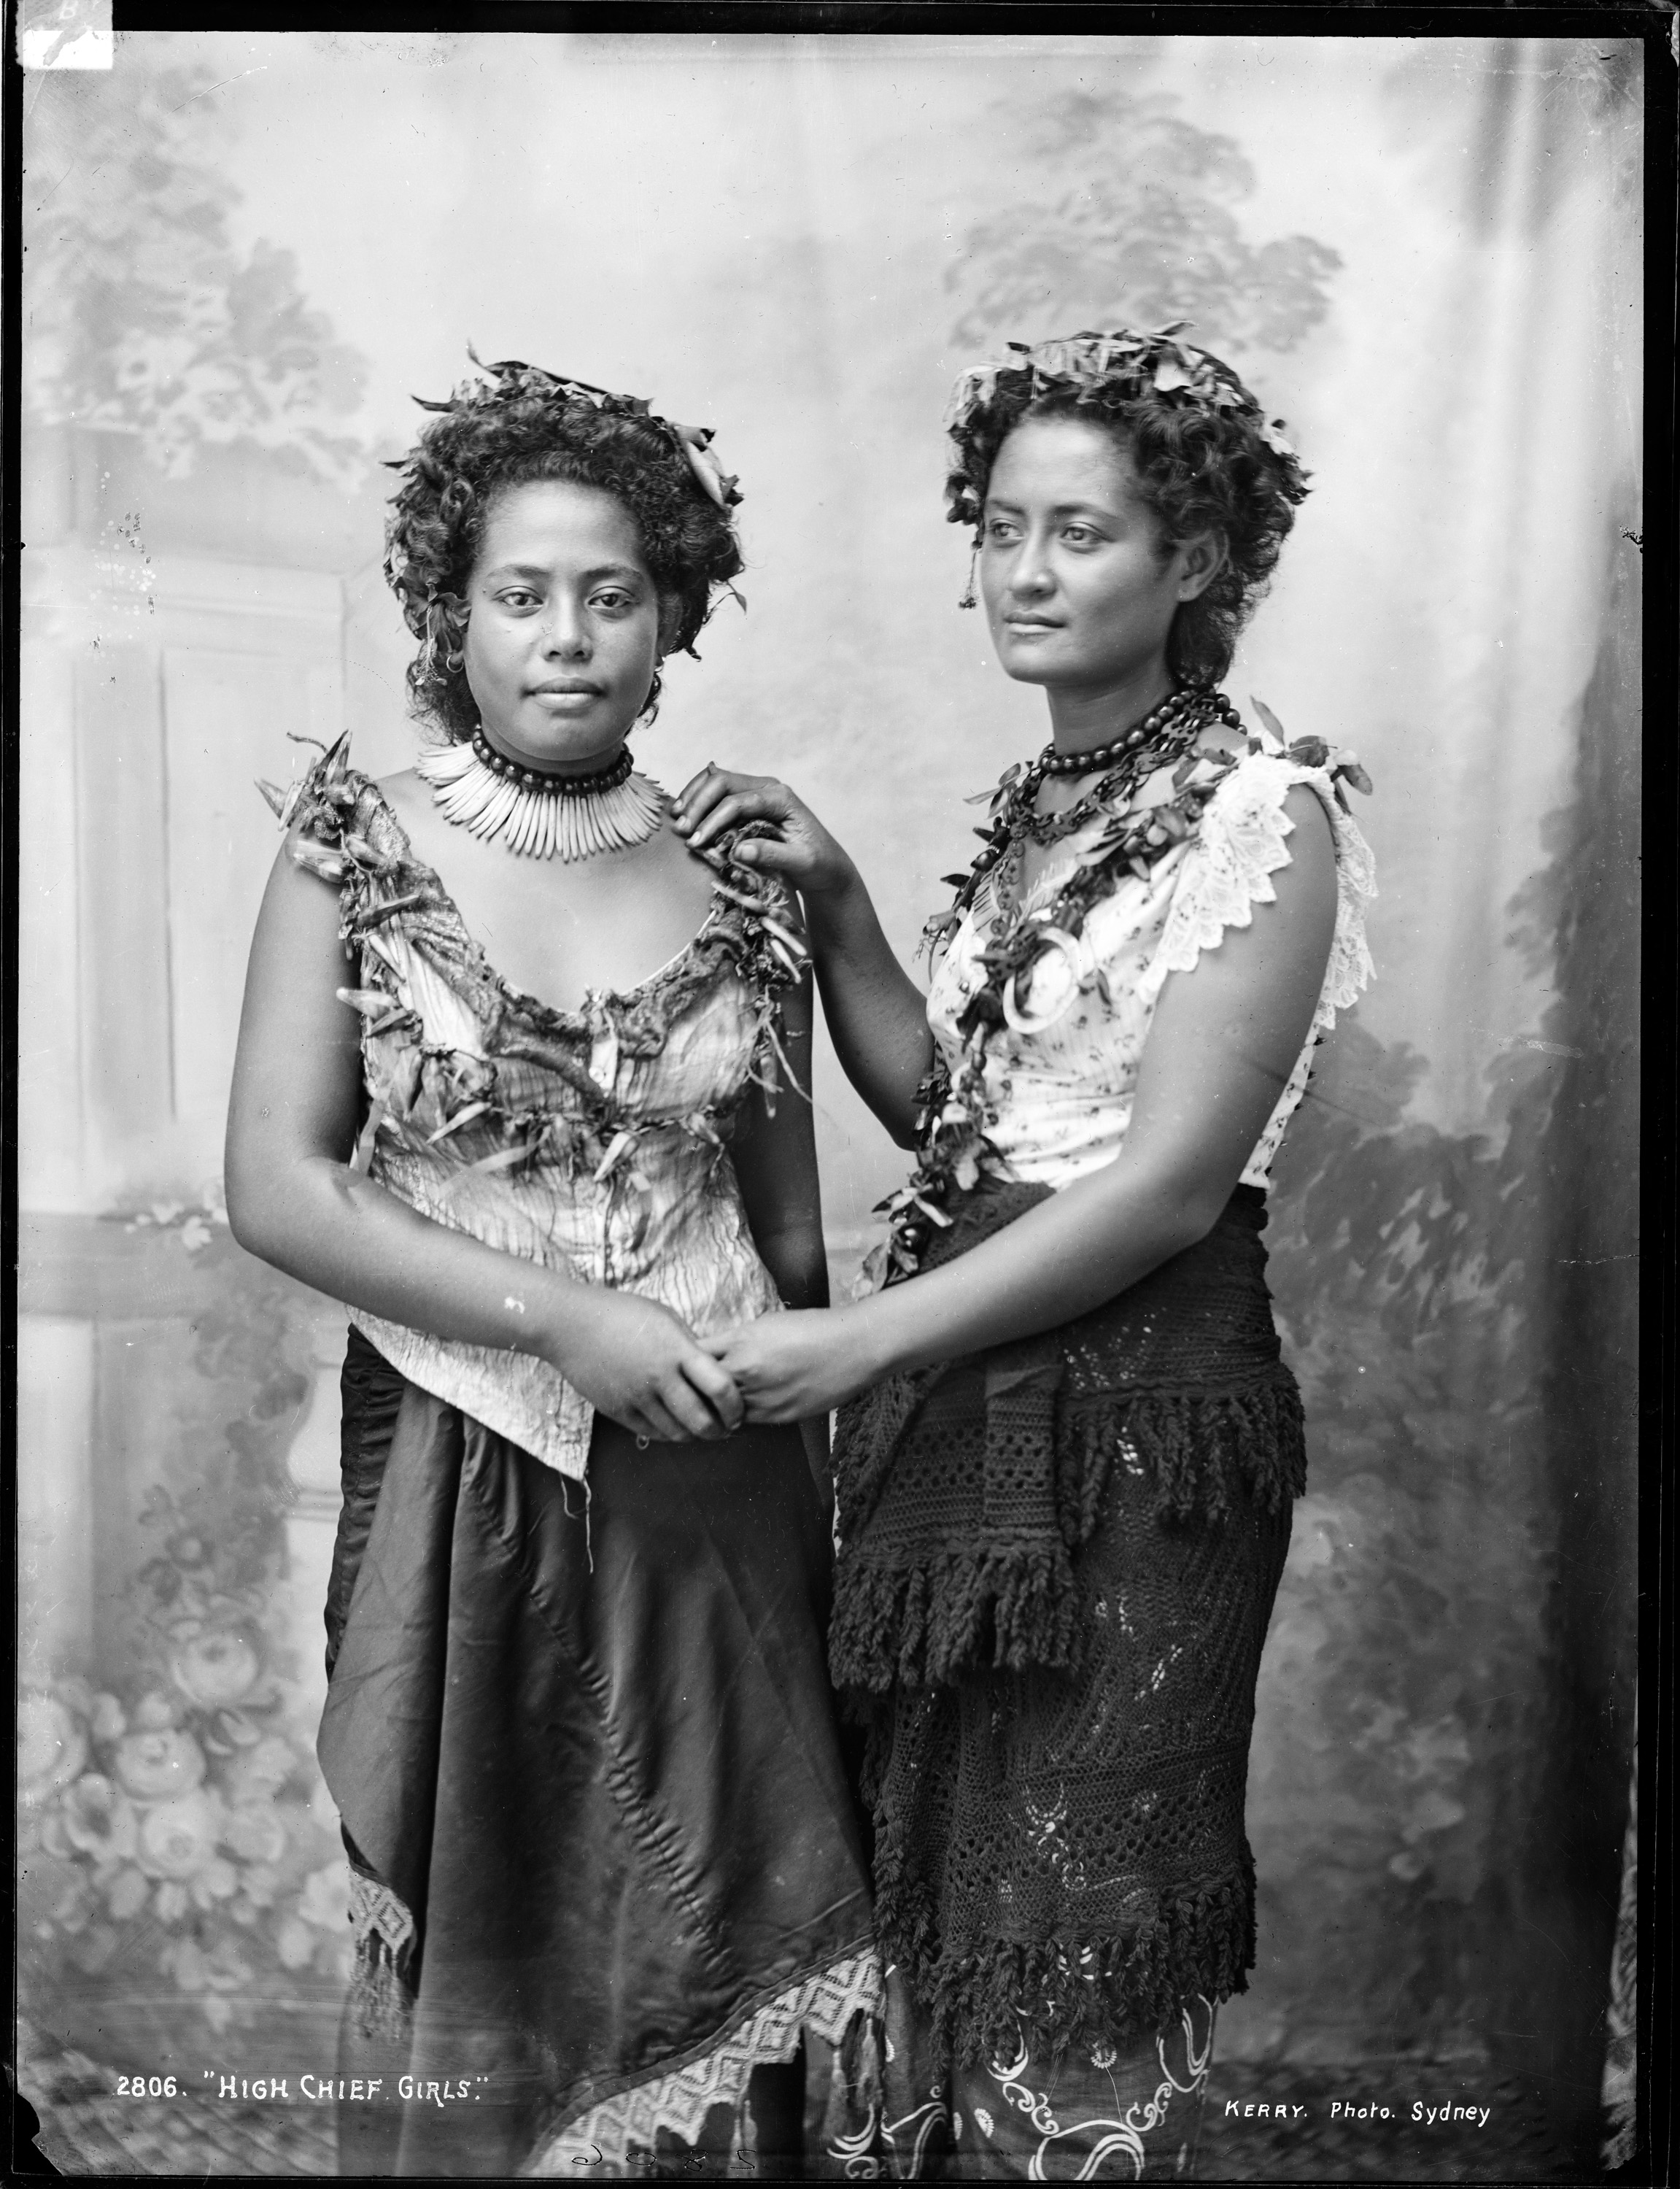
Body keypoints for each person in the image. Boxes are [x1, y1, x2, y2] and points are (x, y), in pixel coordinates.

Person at [673, 327, 1376, 2180]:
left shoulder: (1261, 817)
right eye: (1000, 528)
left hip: (1141, 1443)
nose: (1026, 571)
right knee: (912, 1934)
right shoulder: (1050, 811)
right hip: (963, 1422)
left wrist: (861, 1341)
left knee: (1069, 1934)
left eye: (1082, 534)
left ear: (1199, 562)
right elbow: (969, 1129)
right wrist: (835, 914)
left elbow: (1154, 1190)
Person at [224, 356, 880, 2178]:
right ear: (452, 614)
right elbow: (278, 1188)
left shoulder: (744, 869)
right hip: (459, 1463)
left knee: (719, 1943)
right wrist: (566, 1321)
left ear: (673, 615)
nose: (568, 636)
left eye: (613, 594)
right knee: (500, 1951)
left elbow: (795, 1229)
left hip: (716, 1479)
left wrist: (811, 1502)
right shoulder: (360, 843)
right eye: (522, 595)